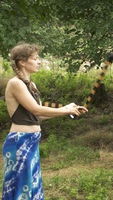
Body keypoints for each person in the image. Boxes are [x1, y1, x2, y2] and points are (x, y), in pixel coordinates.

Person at [2, 42, 87, 200]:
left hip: (31, 142)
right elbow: (36, 109)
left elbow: (38, 116)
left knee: (31, 190)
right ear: (22, 62)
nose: (39, 61)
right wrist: (66, 109)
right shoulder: (15, 83)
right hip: (20, 143)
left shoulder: (30, 85)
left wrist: (67, 109)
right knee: (21, 192)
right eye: (35, 58)